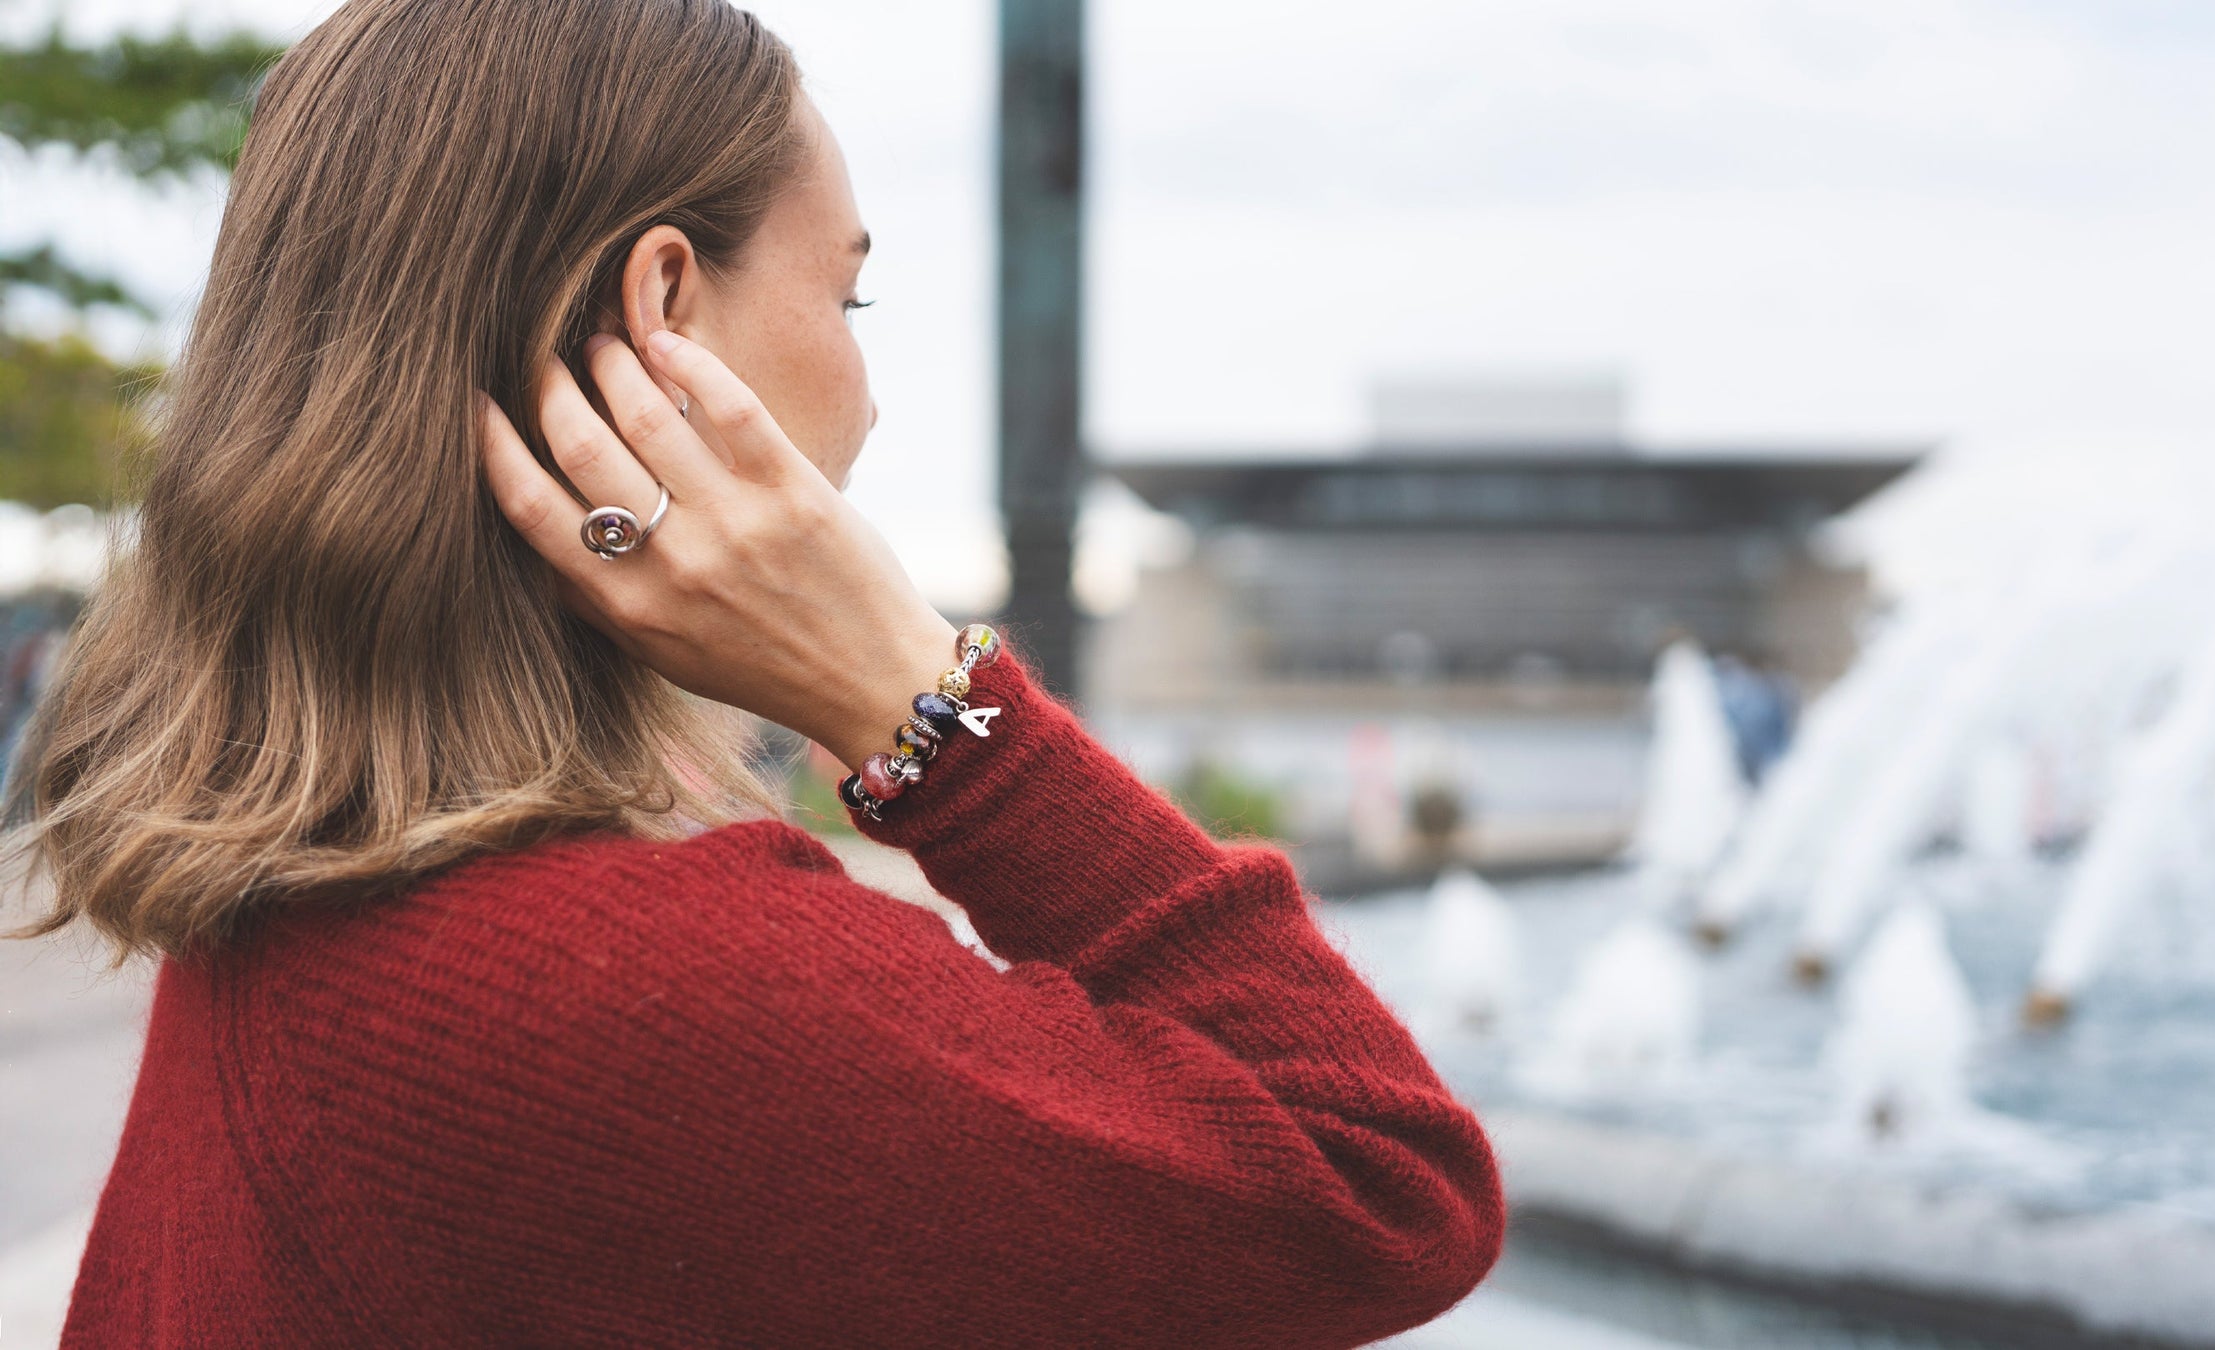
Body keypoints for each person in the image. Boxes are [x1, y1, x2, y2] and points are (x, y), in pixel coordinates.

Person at [0, 0, 1506, 1344]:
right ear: (665, 318)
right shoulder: (624, 991)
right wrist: (929, 705)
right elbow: (1376, 1178)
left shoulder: (289, 900)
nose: (866, 389)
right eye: (846, 300)